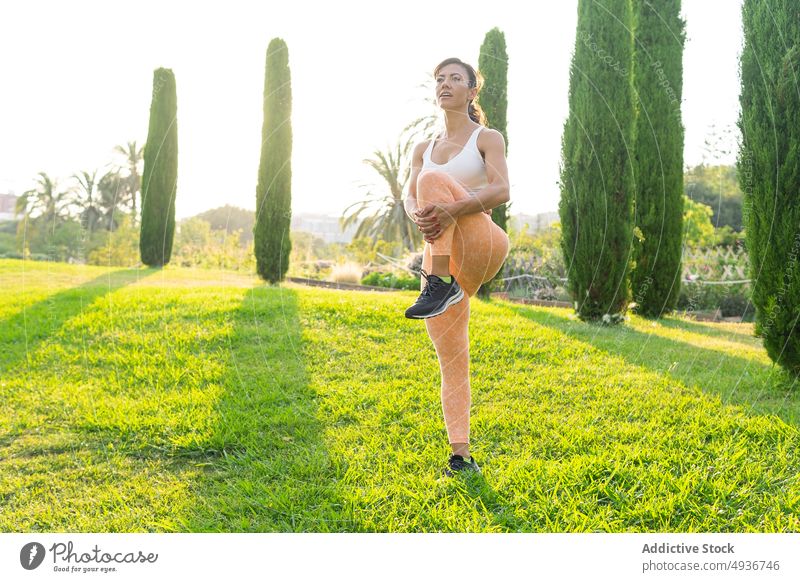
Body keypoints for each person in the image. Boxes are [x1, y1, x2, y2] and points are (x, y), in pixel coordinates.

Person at [403, 57, 511, 477]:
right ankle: (460, 454)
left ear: (471, 91)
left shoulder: (487, 138)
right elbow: (411, 198)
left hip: (484, 240)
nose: (445, 84)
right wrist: (418, 215)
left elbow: (501, 189)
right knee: (452, 360)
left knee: (432, 182)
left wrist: (451, 210)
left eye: (455, 79)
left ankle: (441, 281)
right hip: (442, 257)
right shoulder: (422, 149)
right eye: (439, 79)